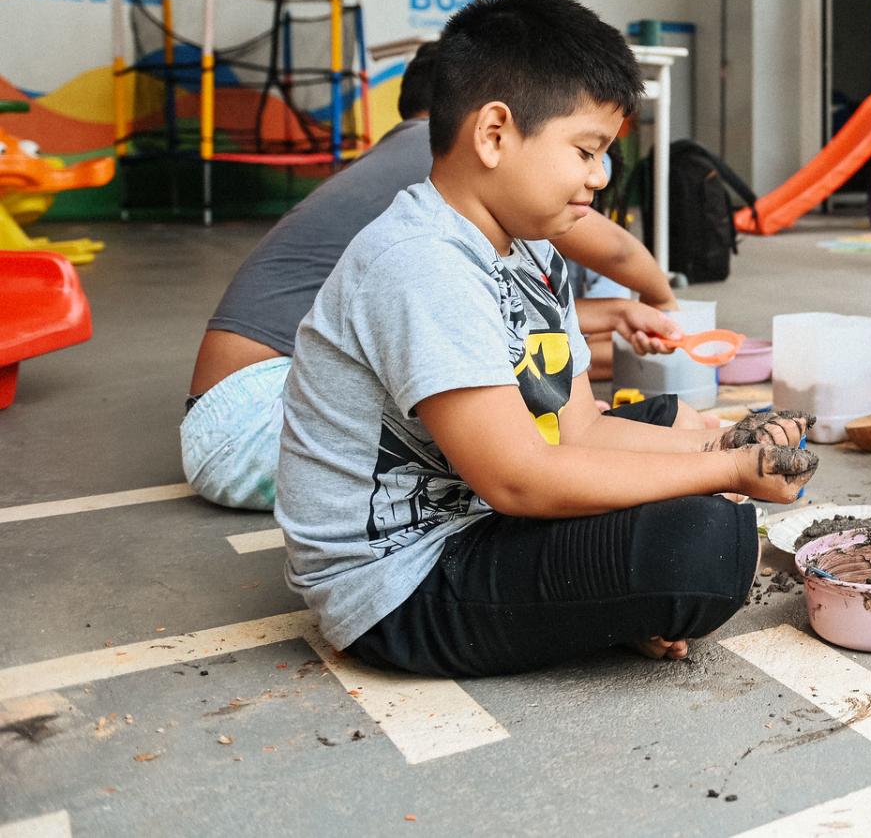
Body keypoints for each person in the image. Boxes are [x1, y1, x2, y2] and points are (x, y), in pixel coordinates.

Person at [277, 0, 818, 677]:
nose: (599, 177)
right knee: (703, 545)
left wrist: (726, 443)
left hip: (481, 511)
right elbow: (521, 479)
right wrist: (730, 466)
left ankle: (604, 604)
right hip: (401, 582)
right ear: (495, 133)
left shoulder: (533, 249)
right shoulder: (420, 261)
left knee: (673, 429)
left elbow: (581, 428)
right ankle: (611, 600)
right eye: (587, 150)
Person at [183, 42, 683, 512]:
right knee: (521, 443)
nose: (597, 177)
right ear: (490, 120)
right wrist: (666, 304)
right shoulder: (445, 170)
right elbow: (614, 250)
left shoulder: (399, 160)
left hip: (242, 404)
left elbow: (495, 321)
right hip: (250, 420)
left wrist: (618, 314)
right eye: (583, 151)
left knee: (539, 397)